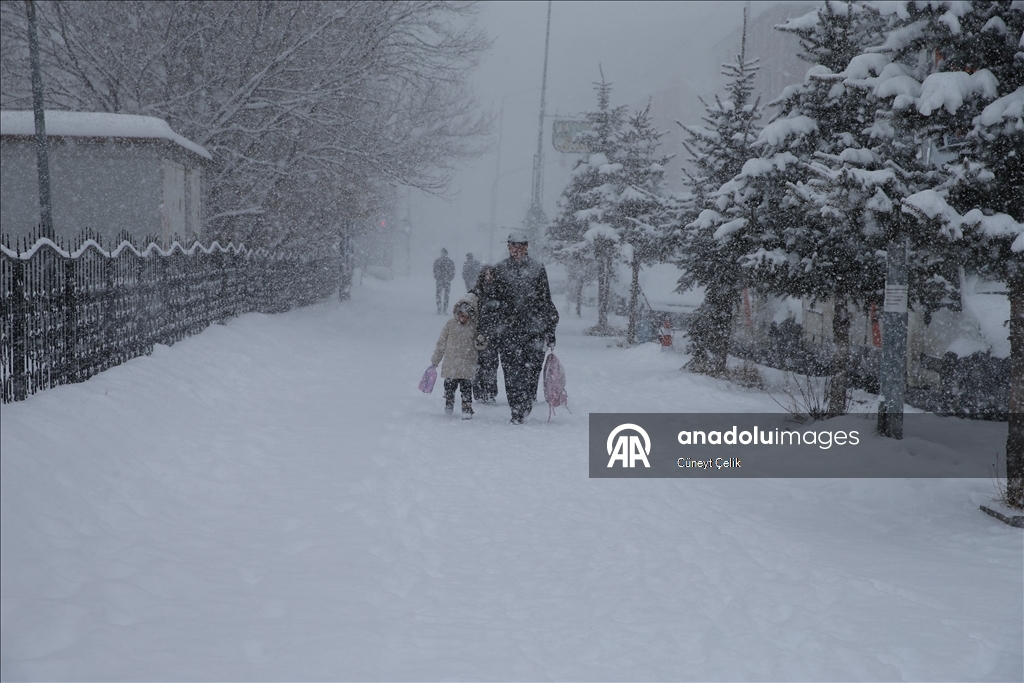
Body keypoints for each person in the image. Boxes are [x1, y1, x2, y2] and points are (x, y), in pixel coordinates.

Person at [491, 230, 559, 424]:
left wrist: (550, 329)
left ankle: (527, 400)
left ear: (527, 247)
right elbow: (493, 301)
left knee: (532, 370)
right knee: (511, 372)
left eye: (521, 246)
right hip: (508, 330)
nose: (518, 250)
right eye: (514, 246)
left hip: (534, 330)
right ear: (509, 247)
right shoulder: (500, 269)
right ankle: (516, 410)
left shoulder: (537, 268)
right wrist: (492, 330)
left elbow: (545, 299)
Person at [430, 294, 487, 419]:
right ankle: (449, 405)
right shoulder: (450, 325)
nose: (464, 319)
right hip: (451, 364)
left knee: (466, 389)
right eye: (462, 315)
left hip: (467, 364)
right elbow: (441, 343)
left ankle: (467, 408)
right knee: (449, 387)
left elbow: (480, 346)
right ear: (458, 313)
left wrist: (481, 340)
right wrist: (436, 360)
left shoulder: (475, 327)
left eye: (467, 316)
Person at [470, 264, 500, 405]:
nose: (489, 277)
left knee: (491, 364)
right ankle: (478, 392)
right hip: (477, 333)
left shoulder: (499, 291)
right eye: (486, 274)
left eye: (491, 274)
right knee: (477, 364)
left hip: (493, 334)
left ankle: (490, 392)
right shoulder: (475, 292)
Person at [433, 248, 455, 314]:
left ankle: (439, 308)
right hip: (446, 280)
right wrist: (449, 278)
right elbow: (452, 271)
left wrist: (437, 277)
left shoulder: (437, 261)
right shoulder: (450, 261)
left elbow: (435, 271)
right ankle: (444, 309)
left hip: (440, 280)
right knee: (446, 295)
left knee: (439, 294)